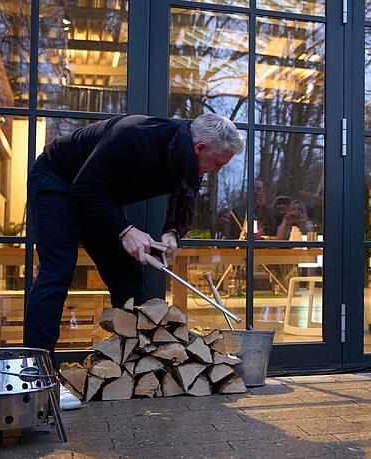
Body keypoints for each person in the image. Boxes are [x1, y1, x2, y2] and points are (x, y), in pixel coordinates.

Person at [23, 114, 243, 409]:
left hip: (98, 196)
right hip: (57, 182)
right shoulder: (134, 135)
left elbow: (184, 198)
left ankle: (140, 365)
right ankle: (37, 377)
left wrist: (172, 233)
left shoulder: (189, 159)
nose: (216, 171)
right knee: (58, 270)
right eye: (218, 163)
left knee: (127, 275)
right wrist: (125, 230)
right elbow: (83, 186)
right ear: (200, 147)